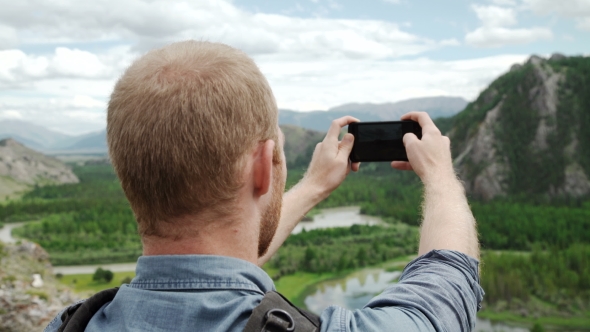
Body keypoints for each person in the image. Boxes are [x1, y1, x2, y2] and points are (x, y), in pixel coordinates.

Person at [45, 41, 483, 332]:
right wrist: (441, 177)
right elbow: (445, 289)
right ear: (262, 167)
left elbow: (214, 257)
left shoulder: (68, 324)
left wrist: (313, 186)